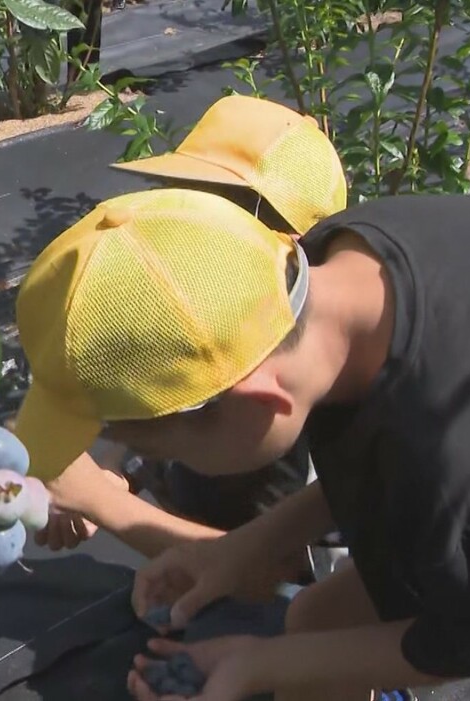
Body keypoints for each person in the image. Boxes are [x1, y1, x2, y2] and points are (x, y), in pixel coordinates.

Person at [12, 187, 470, 700]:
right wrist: (240, 547)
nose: (166, 469)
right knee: (318, 620)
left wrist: (258, 664)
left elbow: (466, 643)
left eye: (171, 456)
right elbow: (391, 458)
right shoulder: (349, 252)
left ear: (259, 400)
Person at [35, 96, 348, 572]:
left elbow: (268, 573)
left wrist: (105, 504)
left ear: (284, 248)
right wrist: (118, 476)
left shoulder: (279, 402)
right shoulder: (220, 329)